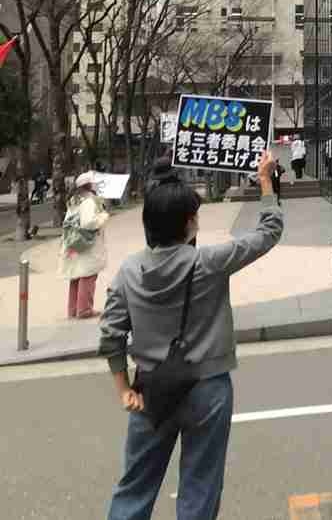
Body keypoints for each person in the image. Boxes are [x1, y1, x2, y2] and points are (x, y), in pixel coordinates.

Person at [100, 151, 284, 520]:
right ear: (188, 224)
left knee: (135, 486)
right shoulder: (209, 263)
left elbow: (111, 335)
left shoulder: (129, 271)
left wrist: (123, 389)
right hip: (208, 388)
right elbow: (268, 233)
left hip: (150, 389)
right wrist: (266, 182)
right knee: (200, 485)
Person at [59, 171, 110, 320]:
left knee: (76, 275)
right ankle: (84, 309)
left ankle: (73, 309)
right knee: (88, 274)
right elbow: (88, 223)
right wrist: (103, 217)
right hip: (87, 244)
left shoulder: (74, 200)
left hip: (73, 242)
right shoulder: (89, 201)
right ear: (89, 185)